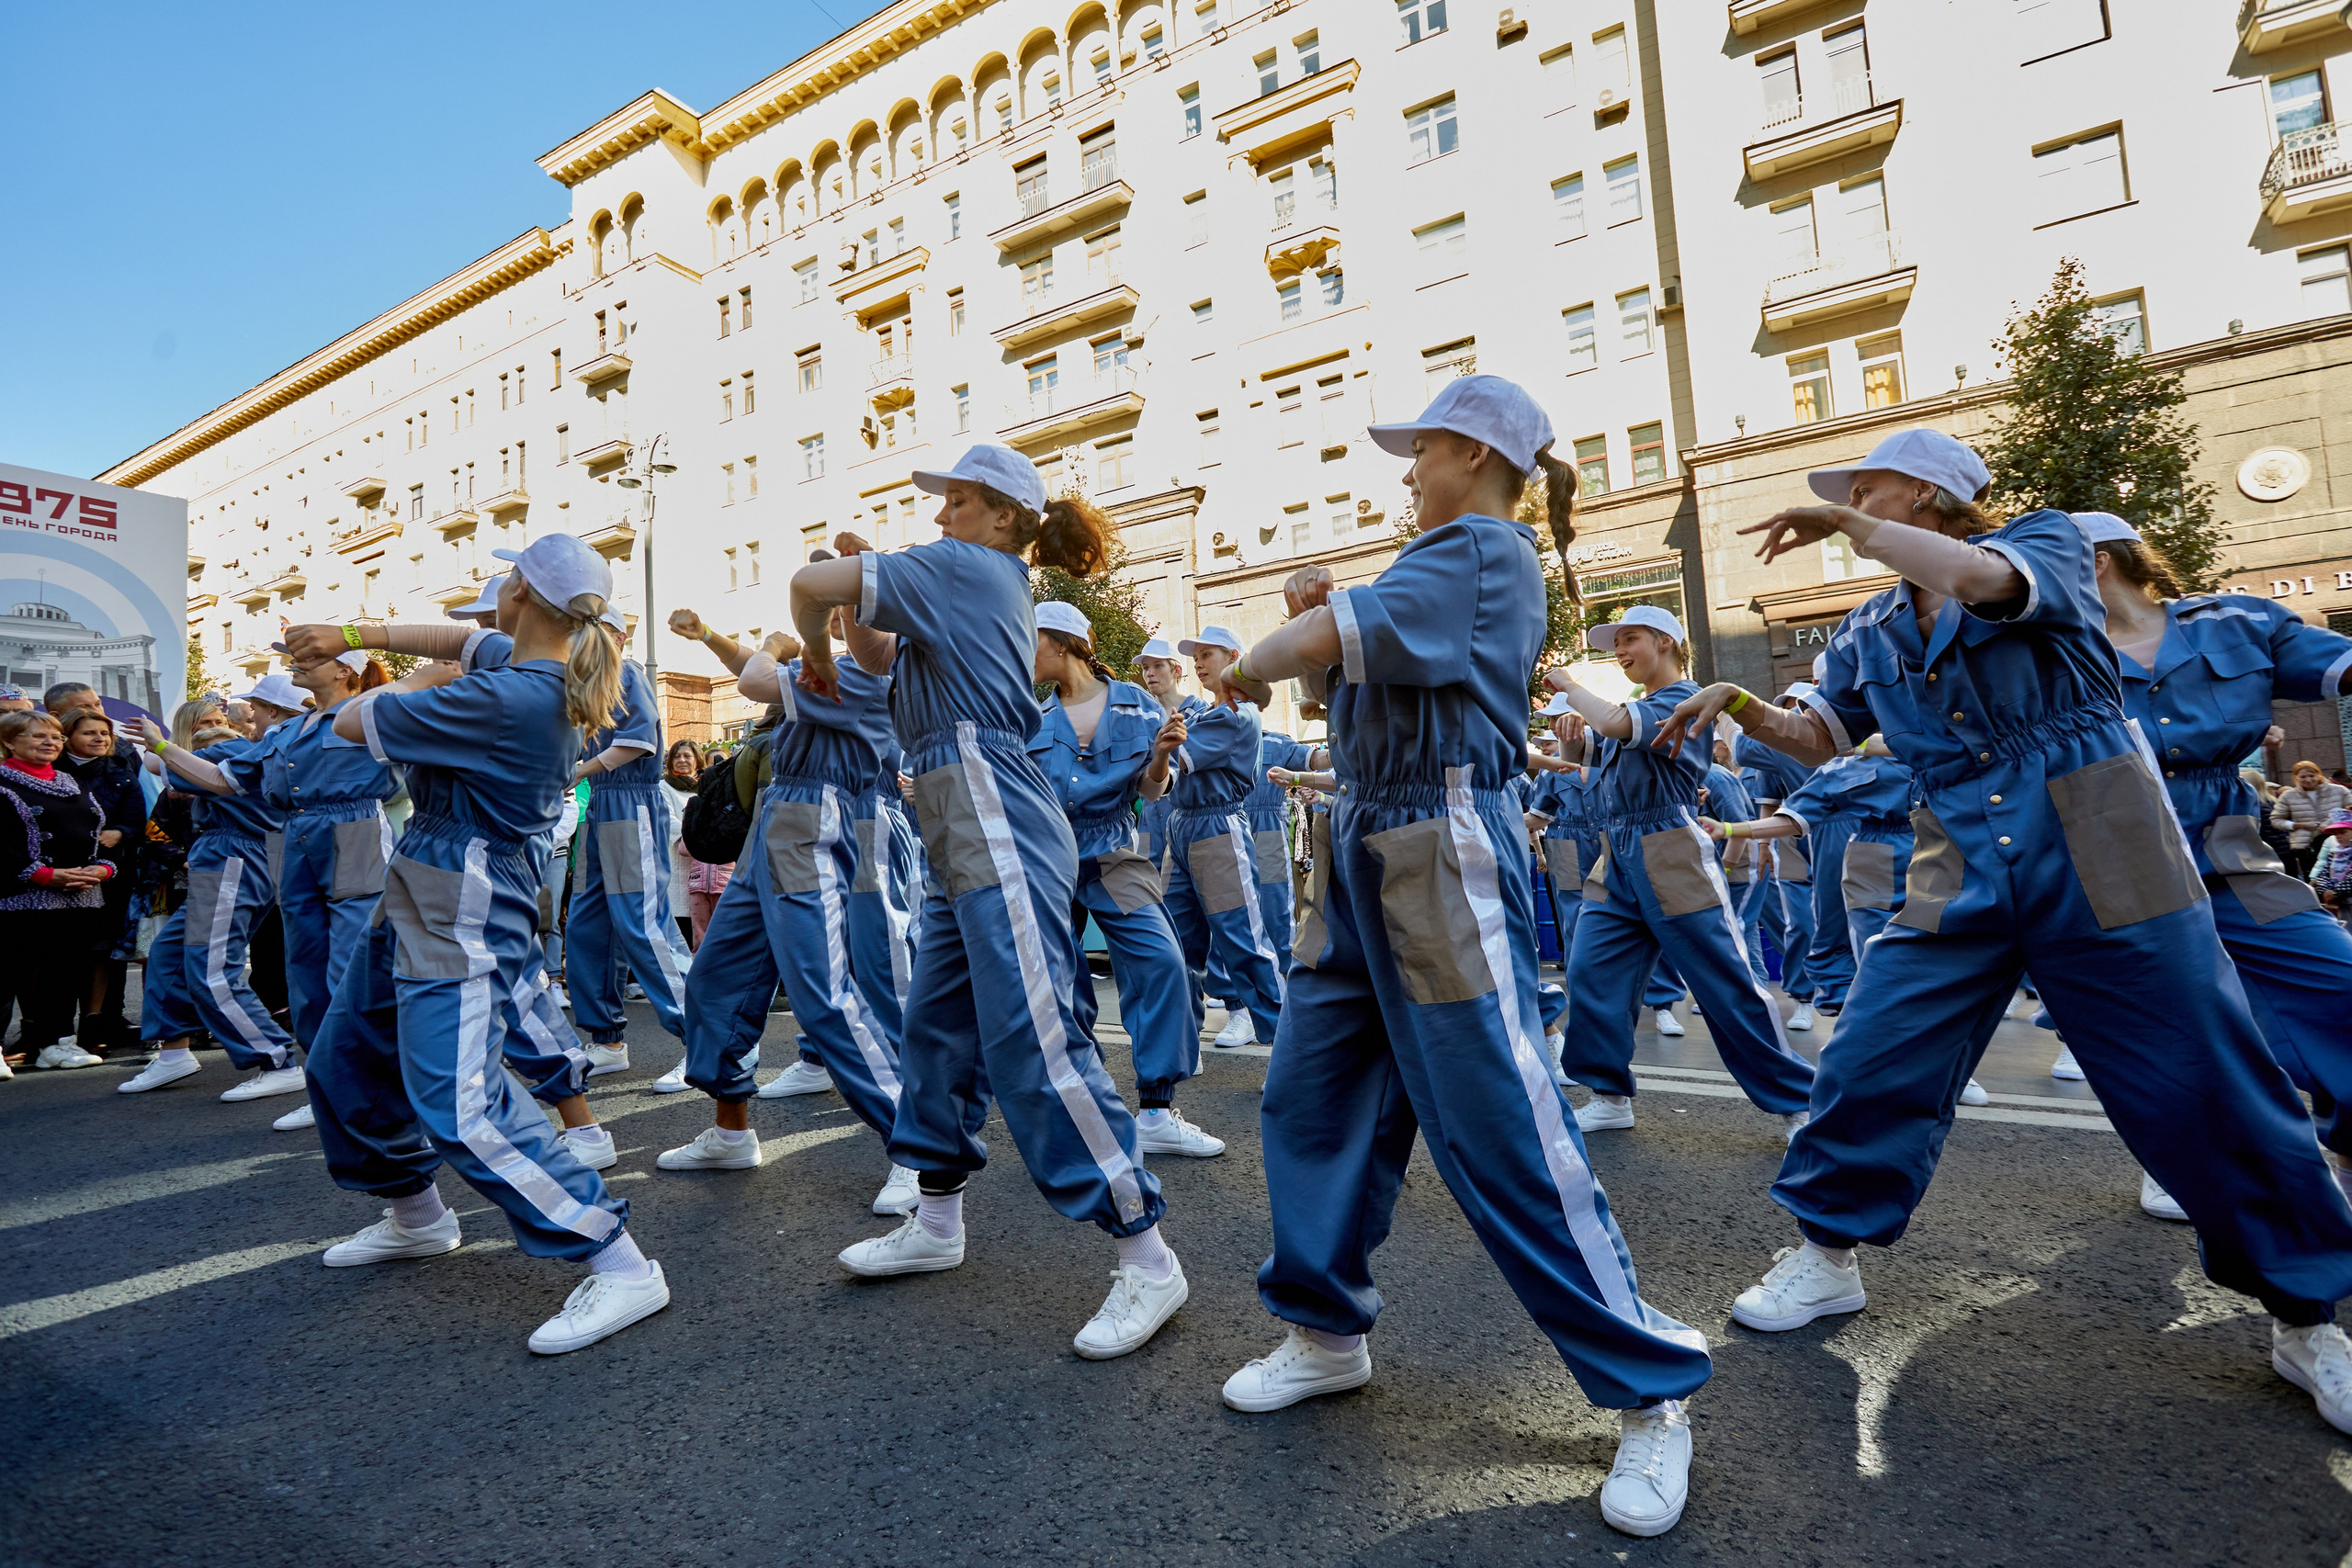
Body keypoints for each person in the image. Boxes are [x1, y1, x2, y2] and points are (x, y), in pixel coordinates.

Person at [1657, 427, 2352, 1438]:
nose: (1852, 497)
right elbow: (1820, 735)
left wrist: (1857, 527)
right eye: (1848, 492)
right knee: (1872, 1052)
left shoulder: (2047, 544)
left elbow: (1986, 578)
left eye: (1870, 485)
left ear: (1933, 494)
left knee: (2204, 1074)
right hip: (1960, 854)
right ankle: (1827, 1252)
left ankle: (2303, 1315)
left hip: (2106, 839)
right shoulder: (1869, 627)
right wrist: (1741, 704)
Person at [1217, 377, 1709, 1539]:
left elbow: (1283, 655)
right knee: (1314, 1095)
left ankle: (1651, 1392)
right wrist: (1317, 642)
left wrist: (1267, 652)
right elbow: (1344, 676)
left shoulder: (1481, 545)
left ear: (1477, 456)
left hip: (1435, 843)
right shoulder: (1441, 560)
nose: (1407, 472)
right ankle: (1325, 1334)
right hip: (1368, 841)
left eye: (1421, 450)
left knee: (1499, 1123)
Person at [794, 443, 1187, 1362]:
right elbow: (875, 649)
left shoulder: (970, 566)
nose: (940, 517)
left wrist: (817, 638)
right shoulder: (968, 574)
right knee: (938, 1030)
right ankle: (934, 1222)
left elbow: (803, 584)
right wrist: (850, 611)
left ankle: (1146, 1252)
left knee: (1034, 1035)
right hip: (956, 813)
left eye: (959, 502)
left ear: (1005, 517)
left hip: (990, 810)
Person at [291, 534, 669, 1355]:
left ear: (524, 594)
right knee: (345, 1054)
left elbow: (351, 722)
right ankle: (416, 1214)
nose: (490, 589)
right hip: (433, 874)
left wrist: (401, 674)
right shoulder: (540, 663)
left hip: (462, 887)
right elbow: (460, 639)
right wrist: (354, 637)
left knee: (458, 1100)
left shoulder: (509, 696)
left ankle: (619, 1258)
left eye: (504, 575)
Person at [2074, 509, 2352, 1218]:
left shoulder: (2236, 619)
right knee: (2174, 1020)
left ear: (2097, 562)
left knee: (2334, 981)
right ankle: (2179, 1157)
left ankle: (2343, 1144)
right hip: (2117, 846)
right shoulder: (2049, 651)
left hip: (2232, 846)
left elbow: (2339, 665)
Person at [659, 607, 918, 1217]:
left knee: (828, 993)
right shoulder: (838, 667)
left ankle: (919, 1149)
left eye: (852, 607)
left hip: (818, 819)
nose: (840, 616)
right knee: (715, 978)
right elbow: (758, 670)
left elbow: (756, 676)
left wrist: (778, 638)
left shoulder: (872, 677)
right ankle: (730, 1131)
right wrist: (720, 637)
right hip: (777, 820)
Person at [1542, 604, 1816, 1139]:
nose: (1619, 651)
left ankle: (1797, 1102)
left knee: (1723, 979)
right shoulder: (1638, 705)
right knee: (1592, 972)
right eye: (1616, 643)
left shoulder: (1683, 698)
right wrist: (1571, 730)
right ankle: (1608, 1094)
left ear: (1666, 641)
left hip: (1670, 847)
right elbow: (1586, 756)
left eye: (1630, 639)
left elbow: (1619, 725)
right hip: (1615, 853)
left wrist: (1568, 684)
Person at [1030, 598, 1225, 1157]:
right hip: (1049, 858)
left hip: (1114, 850)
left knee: (1163, 962)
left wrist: (1162, 755)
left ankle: (1158, 1110)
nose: (1024, 652)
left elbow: (1150, 791)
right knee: (1060, 988)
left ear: (1065, 643)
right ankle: (1081, 1107)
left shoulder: (1137, 705)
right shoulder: (1031, 717)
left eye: (1032, 639)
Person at [1702, 737, 1989, 1108]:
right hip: (1872, 859)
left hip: (1936, 854)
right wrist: (1729, 831)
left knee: (1939, 963)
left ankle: (1946, 1063)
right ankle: (1877, 1057)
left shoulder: (1921, 736)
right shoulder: (1836, 768)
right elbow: (1791, 818)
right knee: (1880, 966)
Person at [119, 686, 304, 1098]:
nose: (230, 721)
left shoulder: (241, 751)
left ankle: (275, 1059)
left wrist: (161, 743)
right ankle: (173, 1053)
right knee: (170, 951)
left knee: (211, 965)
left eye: (225, 720)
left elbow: (159, 765)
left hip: (235, 857)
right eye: (209, 723)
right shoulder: (257, 747)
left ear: (273, 711)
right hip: (223, 855)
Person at [569, 617, 691, 1086]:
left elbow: (638, 741)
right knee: (588, 923)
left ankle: (706, 1039)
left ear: (615, 636)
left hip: (630, 800)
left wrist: (578, 771)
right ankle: (606, 1040)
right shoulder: (586, 678)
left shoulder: (626, 671)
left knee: (643, 923)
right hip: (603, 802)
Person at [1158, 626, 1286, 1050]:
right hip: (1182, 824)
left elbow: (1175, 753)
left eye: (1207, 654)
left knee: (1243, 942)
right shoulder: (1202, 714)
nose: (1198, 661)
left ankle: (1283, 1049)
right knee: (1173, 942)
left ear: (1233, 657)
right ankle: (1181, 1044)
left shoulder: (1238, 714)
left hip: (1216, 827)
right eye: (1195, 655)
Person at [0, 709, 119, 1073]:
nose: (50, 743)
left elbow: (100, 834)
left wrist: (104, 868)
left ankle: (55, 1044)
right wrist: (42, 875)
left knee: (66, 972)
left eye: (55, 737)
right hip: (21, 896)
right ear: (8, 742)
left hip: (80, 894)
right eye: (38, 736)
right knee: (10, 974)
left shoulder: (72, 782)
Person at [55, 706, 150, 1057]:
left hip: (109, 874)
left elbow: (138, 823)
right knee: (63, 954)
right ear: (68, 737)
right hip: (56, 875)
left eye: (104, 733)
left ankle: (95, 1025)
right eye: (89, 733)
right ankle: (53, 1032)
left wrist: (120, 833)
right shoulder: (51, 772)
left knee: (102, 950)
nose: (99, 738)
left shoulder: (120, 771)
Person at [1730, 689, 1820, 1032]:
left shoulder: (1843, 743)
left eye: (1795, 707)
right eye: (1782, 709)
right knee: (1799, 922)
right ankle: (1803, 998)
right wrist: (1765, 844)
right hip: (1792, 839)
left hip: (1841, 837)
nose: (1788, 714)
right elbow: (1768, 800)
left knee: (1852, 919)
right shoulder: (1773, 751)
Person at [2271, 760, 2351, 880]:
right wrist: (2298, 825)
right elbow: (2276, 819)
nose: (2308, 780)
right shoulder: (2288, 796)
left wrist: (2334, 823)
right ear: (2295, 777)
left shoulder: (2339, 791)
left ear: (2319, 774)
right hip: (2305, 846)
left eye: (2311, 776)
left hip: (2339, 844)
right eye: (2303, 777)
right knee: (2313, 879)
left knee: (2342, 879)